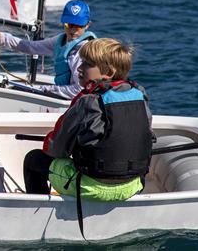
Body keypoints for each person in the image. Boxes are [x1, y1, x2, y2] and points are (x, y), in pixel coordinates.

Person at [22, 37, 152, 203]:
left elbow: (57, 150)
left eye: (87, 64)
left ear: (109, 73)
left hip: (91, 186)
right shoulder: (140, 95)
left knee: (33, 160)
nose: (79, 69)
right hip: (133, 185)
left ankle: (37, 215)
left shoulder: (88, 101)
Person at [0, 0, 96, 99]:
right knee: (15, 89)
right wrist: (0, 36)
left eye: (79, 26)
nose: (73, 30)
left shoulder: (84, 51)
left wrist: (48, 89)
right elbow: (31, 47)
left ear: (87, 25)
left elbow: (80, 89)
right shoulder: (61, 40)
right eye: (69, 25)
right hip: (61, 96)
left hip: (74, 101)